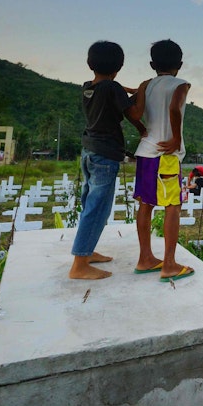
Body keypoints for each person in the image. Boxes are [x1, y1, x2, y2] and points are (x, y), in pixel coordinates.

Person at [69, 40, 144, 280]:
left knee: (89, 204)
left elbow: (112, 89)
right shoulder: (113, 89)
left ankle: (86, 252)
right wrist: (142, 91)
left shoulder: (88, 87)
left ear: (90, 64)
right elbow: (133, 114)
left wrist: (125, 90)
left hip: (89, 151)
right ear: (119, 66)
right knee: (98, 207)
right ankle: (79, 265)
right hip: (105, 155)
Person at [132, 39, 194, 282]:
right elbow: (175, 109)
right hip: (165, 155)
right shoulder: (181, 84)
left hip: (145, 151)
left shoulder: (145, 85)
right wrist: (176, 139)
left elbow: (134, 112)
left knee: (145, 204)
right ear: (179, 64)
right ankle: (169, 264)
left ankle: (145, 258)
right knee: (173, 206)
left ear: (151, 64)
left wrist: (140, 128)